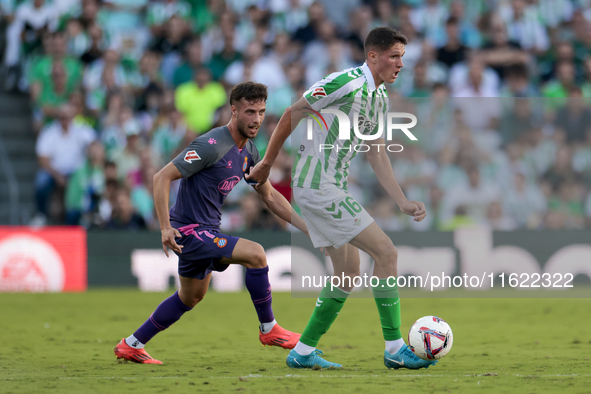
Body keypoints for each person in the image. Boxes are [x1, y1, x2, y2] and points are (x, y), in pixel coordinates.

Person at [247, 27, 437, 370]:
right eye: (394, 56)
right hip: (318, 187)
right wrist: (267, 163)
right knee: (387, 253)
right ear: (373, 57)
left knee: (348, 273)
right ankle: (394, 348)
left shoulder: (379, 98)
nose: (400, 64)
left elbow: (377, 153)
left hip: (332, 187)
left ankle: (302, 352)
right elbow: (293, 112)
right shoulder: (345, 82)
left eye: (402, 58)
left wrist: (402, 201)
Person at [114, 81, 307, 364]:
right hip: (190, 231)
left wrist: (306, 229)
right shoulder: (210, 145)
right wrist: (166, 227)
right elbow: (161, 178)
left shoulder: (250, 152)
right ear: (233, 110)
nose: (257, 119)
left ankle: (131, 344)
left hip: (207, 230)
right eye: (250, 112)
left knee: (190, 297)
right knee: (256, 254)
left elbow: (269, 196)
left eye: (261, 112)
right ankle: (269, 329)